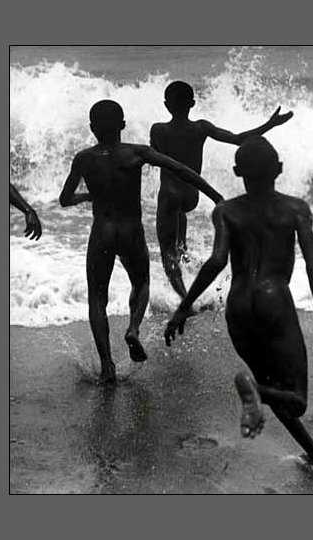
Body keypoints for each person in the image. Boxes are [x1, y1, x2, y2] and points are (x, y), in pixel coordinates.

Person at [163, 136, 313, 472]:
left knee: (268, 390)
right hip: (275, 302)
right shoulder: (295, 209)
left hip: (239, 305)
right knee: (293, 399)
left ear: (237, 171)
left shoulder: (225, 210)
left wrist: (186, 305)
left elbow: (216, 261)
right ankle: (254, 389)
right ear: (280, 169)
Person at [60, 100, 223, 384]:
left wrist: (87, 197)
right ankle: (133, 329)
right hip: (130, 231)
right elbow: (182, 170)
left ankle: (107, 365)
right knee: (141, 283)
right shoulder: (137, 153)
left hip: (101, 232)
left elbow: (64, 199)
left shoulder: (83, 158)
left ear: (92, 128)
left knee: (97, 299)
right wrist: (215, 196)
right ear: (122, 125)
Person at [150, 81, 293, 299]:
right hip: (192, 195)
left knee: (167, 253)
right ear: (192, 104)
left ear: (166, 105)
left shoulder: (158, 130)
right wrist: (270, 124)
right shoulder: (201, 128)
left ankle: (184, 298)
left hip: (169, 194)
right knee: (180, 225)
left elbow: (155, 158)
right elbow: (238, 139)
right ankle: (186, 254)